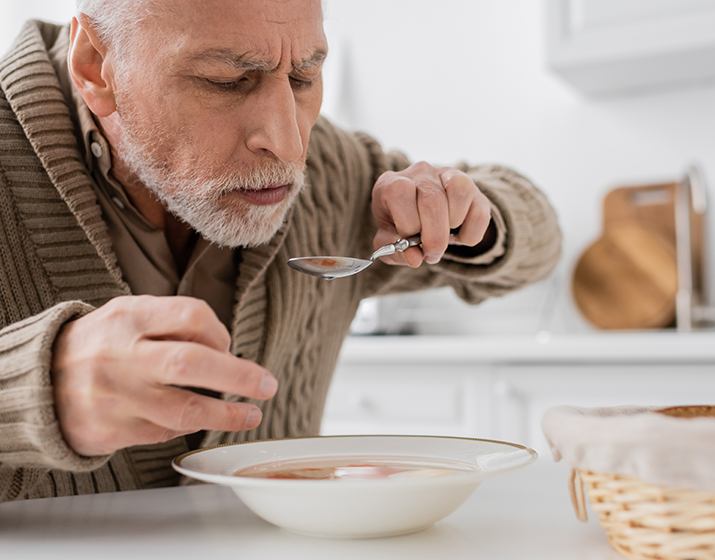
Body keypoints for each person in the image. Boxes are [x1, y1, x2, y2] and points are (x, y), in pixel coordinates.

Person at [0, 0, 562, 502]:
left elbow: (542, 241)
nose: (290, 144)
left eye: (304, 76)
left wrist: (458, 212)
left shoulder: (337, 174)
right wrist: (25, 392)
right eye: (226, 81)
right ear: (96, 65)